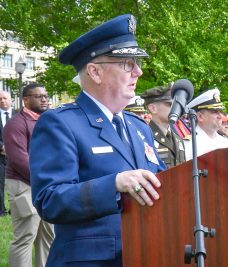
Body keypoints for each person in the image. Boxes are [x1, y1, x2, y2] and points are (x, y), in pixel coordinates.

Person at [29, 14, 165, 266]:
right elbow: (49, 201)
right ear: (95, 71)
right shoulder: (61, 123)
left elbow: (162, 184)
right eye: (127, 63)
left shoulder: (139, 128)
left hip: (147, 253)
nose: (139, 70)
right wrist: (113, 184)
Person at [3, 83, 54, 267]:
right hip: (24, 184)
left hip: (45, 185)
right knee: (25, 238)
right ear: (25, 99)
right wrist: (46, 180)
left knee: (48, 236)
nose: (44, 99)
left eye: (45, 95)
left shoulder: (46, 120)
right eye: (38, 96)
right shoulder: (16, 123)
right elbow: (18, 159)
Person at [141, 84, 186, 168]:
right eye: (170, 104)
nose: (175, 108)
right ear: (153, 108)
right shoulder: (143, 137)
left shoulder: (178, 139)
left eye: (175, 105)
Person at [184, 88, 228, 160]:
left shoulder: (225, 142)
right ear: (200, 116)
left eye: (220, 111)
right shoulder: (189, 143)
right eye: (214, 112)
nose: (220, 116)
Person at [0, 90, 14, 216]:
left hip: (16, 156)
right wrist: (2, 146)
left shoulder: (19, 115)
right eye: (0, 99)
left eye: (5, 98)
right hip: (0, 156)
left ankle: (14, 209)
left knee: (16, 184)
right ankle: (1, 210)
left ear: (11, 100)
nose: (3, 101)